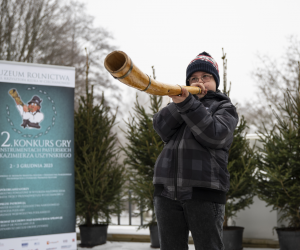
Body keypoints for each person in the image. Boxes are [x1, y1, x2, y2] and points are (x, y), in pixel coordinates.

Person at [153, 52, 239, 250]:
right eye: (194, 78)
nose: (199, 82)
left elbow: (214, 135)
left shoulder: (224, 107)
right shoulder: (181, 104)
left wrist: (187, 103)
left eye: (205, 77)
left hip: (204, 193)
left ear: (215, 81)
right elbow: (160, 127)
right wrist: (180, 102)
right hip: (166, 193)